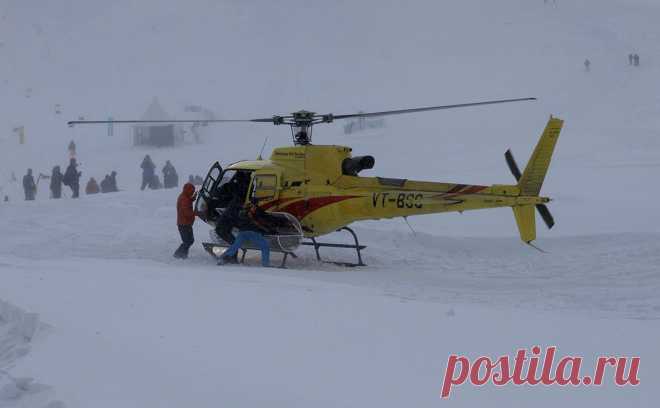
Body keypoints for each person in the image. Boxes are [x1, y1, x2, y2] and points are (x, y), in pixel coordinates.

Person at [217, 202, 277, 267]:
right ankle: (265, 264)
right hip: (252, 232)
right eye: (254, 207)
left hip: (242, 232)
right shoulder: (251, 215)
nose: (255, 209)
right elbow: (258, 224)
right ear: (250, 208)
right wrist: (269, 230)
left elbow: (239, 222)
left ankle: (223, 258)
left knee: (235, 246)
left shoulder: (241, 214)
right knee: (265, 246)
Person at [174, 183, 197, 259]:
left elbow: (189, 200)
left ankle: (183, 254)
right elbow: (187, 212)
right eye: (192, 191)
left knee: (190, 240)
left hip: (186, 223)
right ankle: (178, 254)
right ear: (188, 190)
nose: (192, 192)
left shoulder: (185, 197)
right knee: (187, 241)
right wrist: (196, 213)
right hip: (183, 224)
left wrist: (194, 197)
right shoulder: (184, 199)